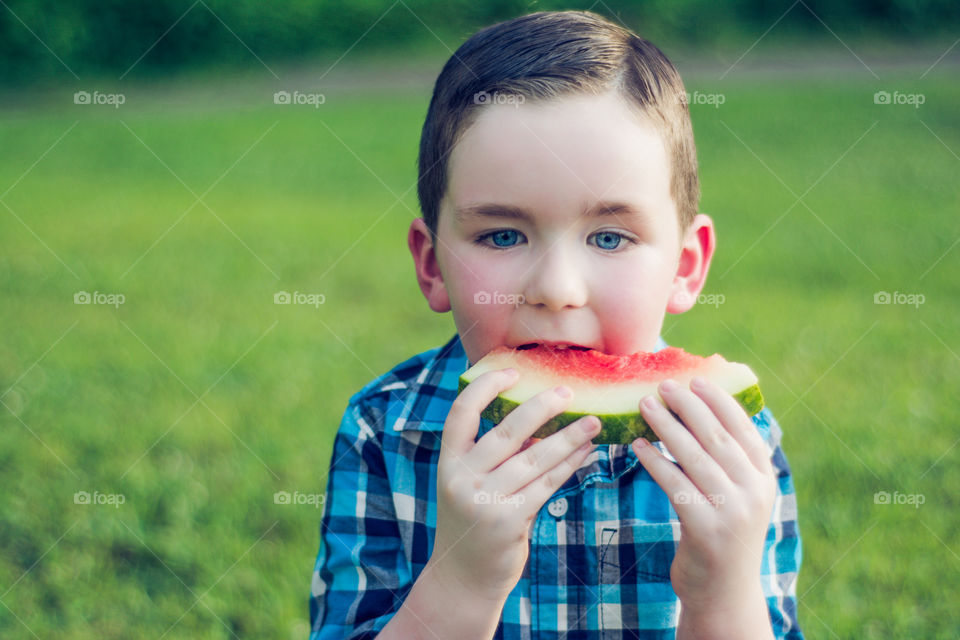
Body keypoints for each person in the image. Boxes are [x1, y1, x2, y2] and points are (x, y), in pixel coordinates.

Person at [309, 10, 803, 639]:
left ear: (684, 266)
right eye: (503, 235)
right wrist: (460, 582)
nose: (557, 289)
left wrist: (723, 593)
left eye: (609, 237)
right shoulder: (385, 433)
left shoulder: (733, 447)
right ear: (433, 265)